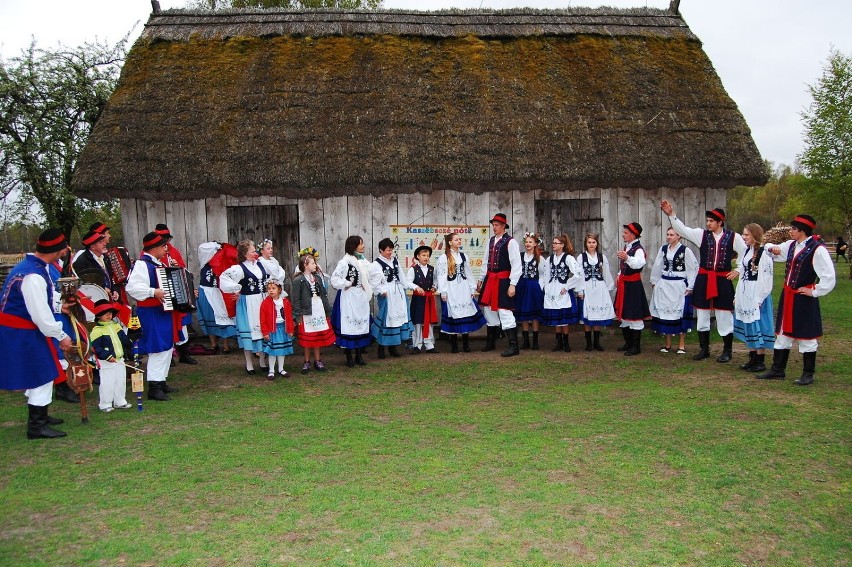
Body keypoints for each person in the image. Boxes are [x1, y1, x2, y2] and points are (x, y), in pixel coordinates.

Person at [0, 229, 74, 439]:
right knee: (42, 373)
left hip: (22, 329)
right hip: (20, 331)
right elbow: (40, 314)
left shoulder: (35, 268)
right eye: (63, 248)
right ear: (57, 250)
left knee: (39, 372)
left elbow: (45, 301)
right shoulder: (33, 275)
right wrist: (61, 335)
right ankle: (36, 425)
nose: (65, 252)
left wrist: (60, 306)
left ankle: (40, 414)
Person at [661, 201, 746, 362]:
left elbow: (745, 252)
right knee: (702, 313)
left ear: (720, 222)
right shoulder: (702, 235)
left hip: (722, 279)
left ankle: (727, 351)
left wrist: (738, 269)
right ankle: (704, 349)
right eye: (707, 220)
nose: (708, 223)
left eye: (711, 221)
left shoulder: (733, 237)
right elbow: (683, 230)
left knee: (724, 315)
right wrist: (671, 215)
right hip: (704, 279)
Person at [758, 215, 836, 385]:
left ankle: (808, 373)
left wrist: (814, 290)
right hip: (788, 296)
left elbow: (829, 277)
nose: (790, 231)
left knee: (806, 335)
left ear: (802, 231)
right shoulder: (792, 245)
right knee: (783, 333)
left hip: (803, 298)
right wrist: (773, 248)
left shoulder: (817, 249)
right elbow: (771, 249)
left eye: (793, 229)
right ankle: (778, 369)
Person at [126, 231, 184, 400]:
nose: (166, 249)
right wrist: (153, 291)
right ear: (153, 248)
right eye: (163, 246)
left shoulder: (156, 264)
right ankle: (154, 387)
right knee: (158, 348)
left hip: (162, 311)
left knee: (166, 347)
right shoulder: (142, 264)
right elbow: (132, 288)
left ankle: (161, 380)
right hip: (151, 312)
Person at [219, 240, 269, 375]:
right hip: (248, 303)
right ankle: (249, 363)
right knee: (249, 331)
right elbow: (223, 278)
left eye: (255, 250)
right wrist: (237, 288)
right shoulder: (239, 268)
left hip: (262, 301)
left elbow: (276, 274)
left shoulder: (261, 265)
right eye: (253, 251)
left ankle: (263, 361)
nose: (256, 253)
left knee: (263, 330)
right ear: (245, 254)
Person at [478, 213, 523, 357]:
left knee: (505, 311)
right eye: (493, 225)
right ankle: (491, 343)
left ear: (504, 226)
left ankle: (514, 347)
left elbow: (517, 265)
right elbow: (485, 261)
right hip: (490, 279)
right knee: (489, 310)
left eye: (497, 225)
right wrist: (481, 278)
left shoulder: (511, 242)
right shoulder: (491, 241)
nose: (494, 228)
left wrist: (513, 284)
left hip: (503, 281)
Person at [732, 223, 775, 372]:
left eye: (746, 235)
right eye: (743, 234)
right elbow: (742, 275)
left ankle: (760, 360)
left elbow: (767, 278)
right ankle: (752, 357)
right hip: (745, 291)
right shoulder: (746, 251)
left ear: (755, 236)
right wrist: (737, 295)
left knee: (758, 324)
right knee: (748, 323)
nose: (744, 237)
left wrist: (759, 298)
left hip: (756, 292)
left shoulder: (764, 254)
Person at [369, 238, 422, 359]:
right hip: (387, 295)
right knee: (386, 320)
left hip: (398, 294)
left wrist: (413, 286)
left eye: (391, 249)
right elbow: (373, 282)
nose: (390, 252)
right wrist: (381, 291)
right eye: (388, 250)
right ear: (381, 250)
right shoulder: (376, 265)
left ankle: (393, 347)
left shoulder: (395, 261)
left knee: (397, 321)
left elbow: (402, 278)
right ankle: (381, 348)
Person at [650, 228, 698, 354]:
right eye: (668, 234)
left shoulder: (685, 251)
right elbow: (658, 265)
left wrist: (690, 286)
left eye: (672, 235)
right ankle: (668, 344)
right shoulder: (664, 249)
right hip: (665, 284)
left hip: (679, 285)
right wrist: (654, 280)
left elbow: (692, 268)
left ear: (679, 236)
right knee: (666, 313)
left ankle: (681, 345)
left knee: (680, 314)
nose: (669, 237)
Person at [436, 232, 486, 353]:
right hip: (451, 289)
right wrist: (443, 291)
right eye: (456, 239)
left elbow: (468, 273)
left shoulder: (464, 256)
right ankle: (454, 345)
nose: (459, 241)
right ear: (450, 242)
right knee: (454, 313)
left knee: (465, 313)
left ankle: (465, 344)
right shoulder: (444, 258)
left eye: (459, 239)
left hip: (463, 288)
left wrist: (472, 288)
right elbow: (441, 275)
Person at [330, 235, 373, 368]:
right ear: (353, 246)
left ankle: (359, 355)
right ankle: (349, 356)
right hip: (349, 296)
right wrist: (347, 283)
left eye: (362, 243)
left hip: (360, 296)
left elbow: (371, 275)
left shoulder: (364, 262)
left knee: (360, 324)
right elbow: (334, 279)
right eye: (360, 244)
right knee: (349, 325)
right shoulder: (345, 262)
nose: (363, 246)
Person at [291, 253, 336, 374]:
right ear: (305, 265)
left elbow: (324, 295)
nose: (315, 265)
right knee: (308, 338)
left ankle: (318, 360)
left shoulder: (318, 278)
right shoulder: (298, 280)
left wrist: (327, 311)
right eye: (312, 263)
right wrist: (297, 315)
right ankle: (306, 362)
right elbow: (296, 299)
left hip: (318, 311)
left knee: (317, 336)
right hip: (307, 312)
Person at [88, 299, 133, 412]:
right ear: (98, 315)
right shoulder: (96, 331)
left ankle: (120, 401)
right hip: (106, 361)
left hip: (119, 359)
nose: (109, 315)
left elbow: (125, 340)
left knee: (120, 380)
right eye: (105, 313)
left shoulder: (116, 326)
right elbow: (96, 348)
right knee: (107, 382)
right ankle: (105, 403)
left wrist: (132, 340)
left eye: (110, 312)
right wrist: (107, 356)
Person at [614, 222, 651, 356]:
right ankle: (628, 343)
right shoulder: (628, 246)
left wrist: (627, 257)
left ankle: (636, 347)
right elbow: (624, 267)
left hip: (633, 286)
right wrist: (619, 275)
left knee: (634, 314)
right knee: (625, 314)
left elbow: (639, 264)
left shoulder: (638, 249)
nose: (623, 235)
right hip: (625, 284)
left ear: (633, 234)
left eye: (626, 233)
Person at [542, 234, 582, 352]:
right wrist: (546, 288)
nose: (553, 245)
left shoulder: (568, 258)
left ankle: (566, 343)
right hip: (552, 290)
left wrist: (568, 285)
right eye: (553, 243)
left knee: (564, 317)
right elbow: (546, 274)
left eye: (556, 243)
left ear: (562, 245)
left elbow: (578, 273)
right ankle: (558, 343)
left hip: (562, 289)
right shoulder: (550, 259)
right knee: (556, 316)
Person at [575, 233, 616, 351]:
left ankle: (597, 342)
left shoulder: (602, 257)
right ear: (585, 244)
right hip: (586, 287)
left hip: (599, 287)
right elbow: (578, 275)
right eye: (589, 242)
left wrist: (608, 287)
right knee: (587, 314)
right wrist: (579, 290)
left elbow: (606, 273)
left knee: (597, 314)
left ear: (597, 244)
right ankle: (588, 343)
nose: (591, 244)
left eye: (593, 242)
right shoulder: (581, 257)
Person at [196, 242, 237, 354]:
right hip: (206, 291)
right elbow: (202, 247)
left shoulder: (223, 262)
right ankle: (214, 344)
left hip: (218, 292)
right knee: (209, 317)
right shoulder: (204, 261)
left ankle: (226, 345)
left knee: (222, 318)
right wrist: (218, 245)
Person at [260, 278, 295, 380]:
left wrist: (290, 329)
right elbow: (263, 319)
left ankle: (281, 368)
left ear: (279, 290)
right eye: (269, 288)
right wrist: (265, 332)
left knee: (281, 350)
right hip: (273, 330)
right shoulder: (265, 303)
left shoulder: (285, 302)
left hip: (283, 329)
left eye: (273, 288)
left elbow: (289, 316)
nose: (271, 290)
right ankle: (271, 370)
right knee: (273, 351)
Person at [515, 232, 546, 350]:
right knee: (524, 313)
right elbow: (516, 271)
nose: (528, 244)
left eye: (530, 242)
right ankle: (526, 340)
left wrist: (540, 286)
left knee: (534, 314)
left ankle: (535, 341)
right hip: (522, 286)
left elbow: (543, 274)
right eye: (526, 242)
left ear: (535, 244)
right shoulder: (520, 256)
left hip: (534, 286)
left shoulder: (539, 257)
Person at [72, 228, 120, 302]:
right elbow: (84, 285)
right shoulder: (82, 262)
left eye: (103, 241)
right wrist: (102, 289)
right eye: (101, 242)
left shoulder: (105, 257)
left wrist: (115, 290)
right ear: (93, 247)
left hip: (108, 301)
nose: (104, 244)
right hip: (94, 302)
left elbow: (111, 277)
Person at [407, 245, 439, 354]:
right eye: (423, 255)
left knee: (429, 321)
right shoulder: (413, 269)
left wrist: (434, 287)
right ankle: (417, 344)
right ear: (418, 256)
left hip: (428, 299)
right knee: (418, 321)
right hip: (418, 299)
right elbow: (408, 282)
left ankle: (429, 344)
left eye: (427, 256)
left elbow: (435, 280)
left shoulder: (431, 269)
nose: (426, 257)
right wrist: (416, 287)